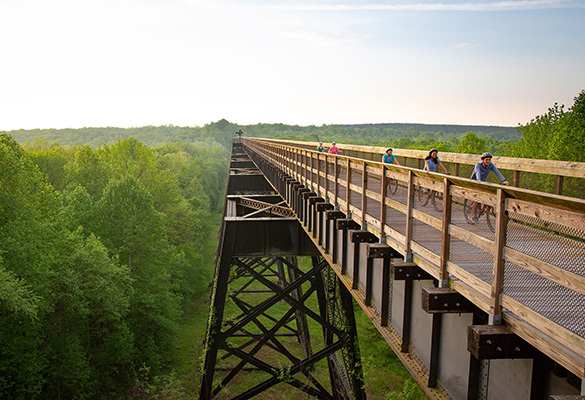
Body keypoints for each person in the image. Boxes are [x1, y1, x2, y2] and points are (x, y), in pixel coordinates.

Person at [470, 152, 510, 221]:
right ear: (482, 160)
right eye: (486, 160)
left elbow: (497, 172)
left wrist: (504, 180)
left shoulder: (491, 165)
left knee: (490, 193)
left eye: (489, 160)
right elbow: (478, 173)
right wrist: (479, 180)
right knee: (477, 198)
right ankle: (474, 216)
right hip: (475, 181)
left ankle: (485, 209)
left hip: (484, 181)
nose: (488, 161)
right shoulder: (478, 165)